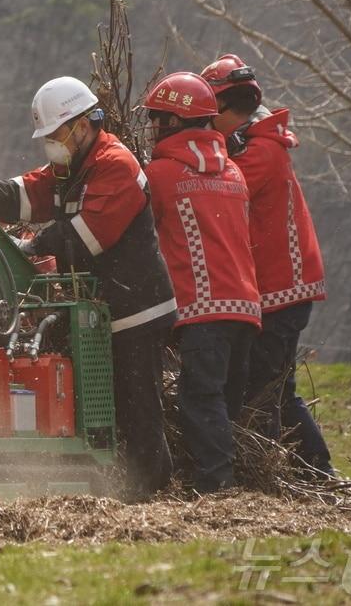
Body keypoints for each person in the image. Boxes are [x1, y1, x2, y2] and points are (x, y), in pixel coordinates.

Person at [0, 75, 177, 499]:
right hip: (99, 314)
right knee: (102, 405)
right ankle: (112, 483)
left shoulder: (114, 165)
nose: (52, 144)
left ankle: (151, 493)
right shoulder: (71, 168)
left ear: (83, 125)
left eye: (57, 134)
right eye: (48, 137)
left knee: (139, 409)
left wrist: (26, 245)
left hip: (136, 311)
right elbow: (24, 191)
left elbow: (84, 236)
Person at [202, 53, 332, 476]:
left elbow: (215, 187)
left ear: (225, 108)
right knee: (277, 388)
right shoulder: (260, 145)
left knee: (268, 390)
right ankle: (311, 471)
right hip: (281, 289)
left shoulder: (257, 154)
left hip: (281, 291)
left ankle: (303, 471)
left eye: (208, 115)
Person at [142, 72, 263, 493]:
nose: (154, 127)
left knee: (199, 399)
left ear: (172, 123)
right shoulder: (233, 172)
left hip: (202, 308)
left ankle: (217, 488)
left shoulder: (158, 174)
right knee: (225, 403)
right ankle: (224, 478)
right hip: (246, 307)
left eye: (158, 119)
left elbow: (141, 238)